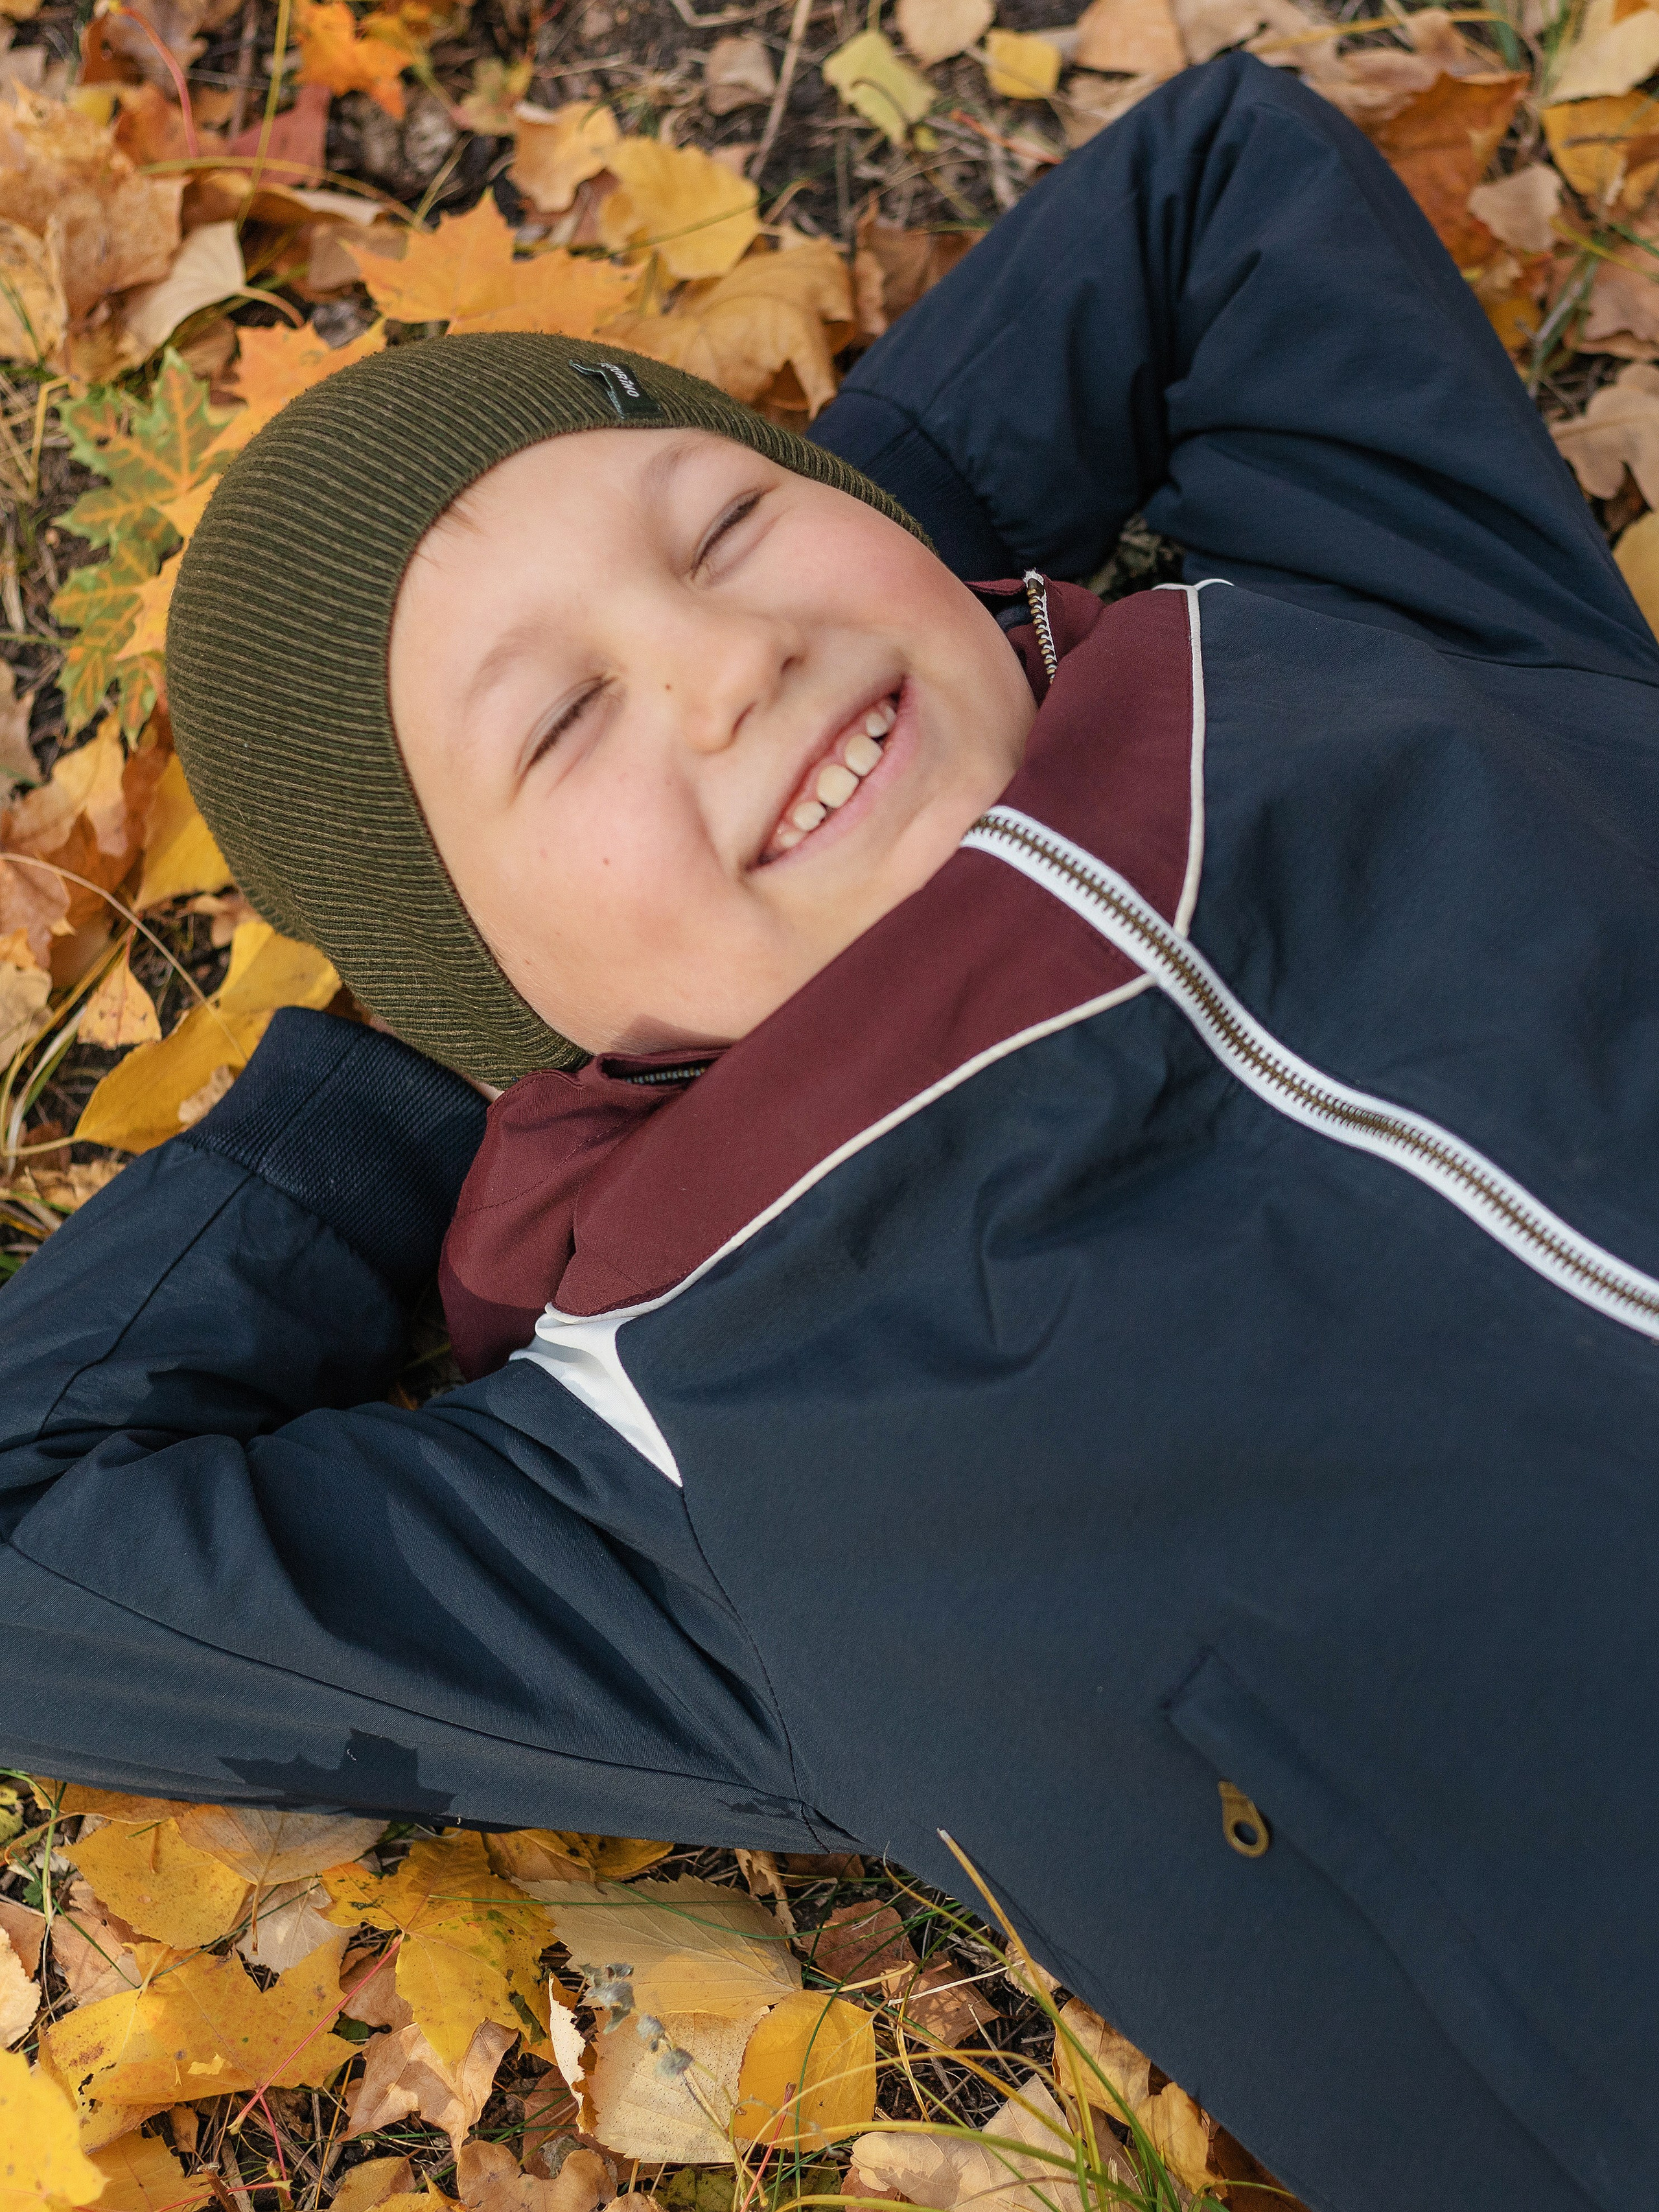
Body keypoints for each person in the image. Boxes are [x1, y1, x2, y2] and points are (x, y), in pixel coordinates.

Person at [3, 49, 1657, 2212]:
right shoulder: (681, 1464)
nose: (727, 661)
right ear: (496, 986)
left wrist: (876, 625)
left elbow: (1213, 179)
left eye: (733, 522)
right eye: (566, 720)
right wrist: (457, 1057)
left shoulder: (1334, 633)